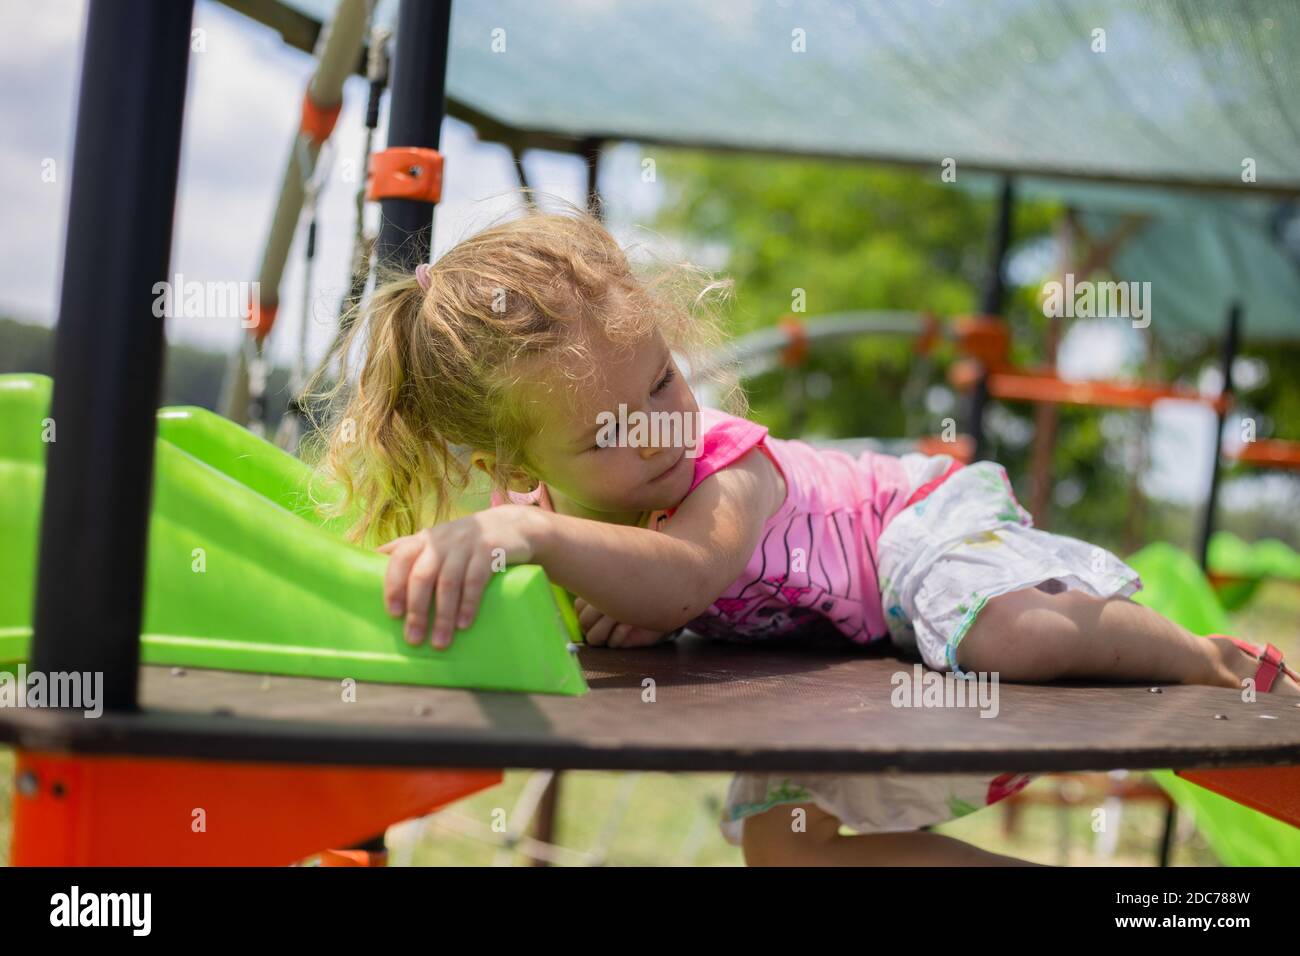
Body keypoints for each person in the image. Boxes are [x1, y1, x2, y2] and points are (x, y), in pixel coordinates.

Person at [309, 200, 1299, 866]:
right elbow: (644, 617)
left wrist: (554, 552)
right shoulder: (552, 523)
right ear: (519, 468)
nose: (657, 424)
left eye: (660, 380)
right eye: (609, 429)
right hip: (839, 645)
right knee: (781, 838)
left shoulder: (724, 461)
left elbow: (685, 576)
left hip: (910, 528)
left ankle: (1204, 654)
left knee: (1020, 638)